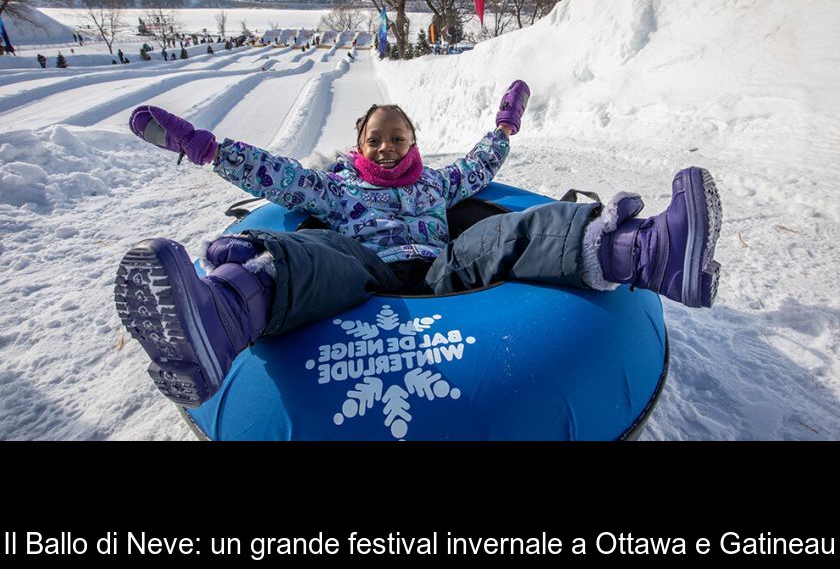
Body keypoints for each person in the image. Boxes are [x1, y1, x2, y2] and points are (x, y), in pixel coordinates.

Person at [118, 82, 722, 408]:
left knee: (499, 232)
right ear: (359, 144)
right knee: (318, 253)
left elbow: (482, 166)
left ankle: (646, 252)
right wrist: (206, 148)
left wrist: (505, 126)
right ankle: (219, 315)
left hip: (443, 271)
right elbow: (278, 177)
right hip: (364, 274)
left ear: (414, 142)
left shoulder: (436, 184)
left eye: (398, 138)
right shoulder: (333, 188)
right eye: (375, 139)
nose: (386, 148)